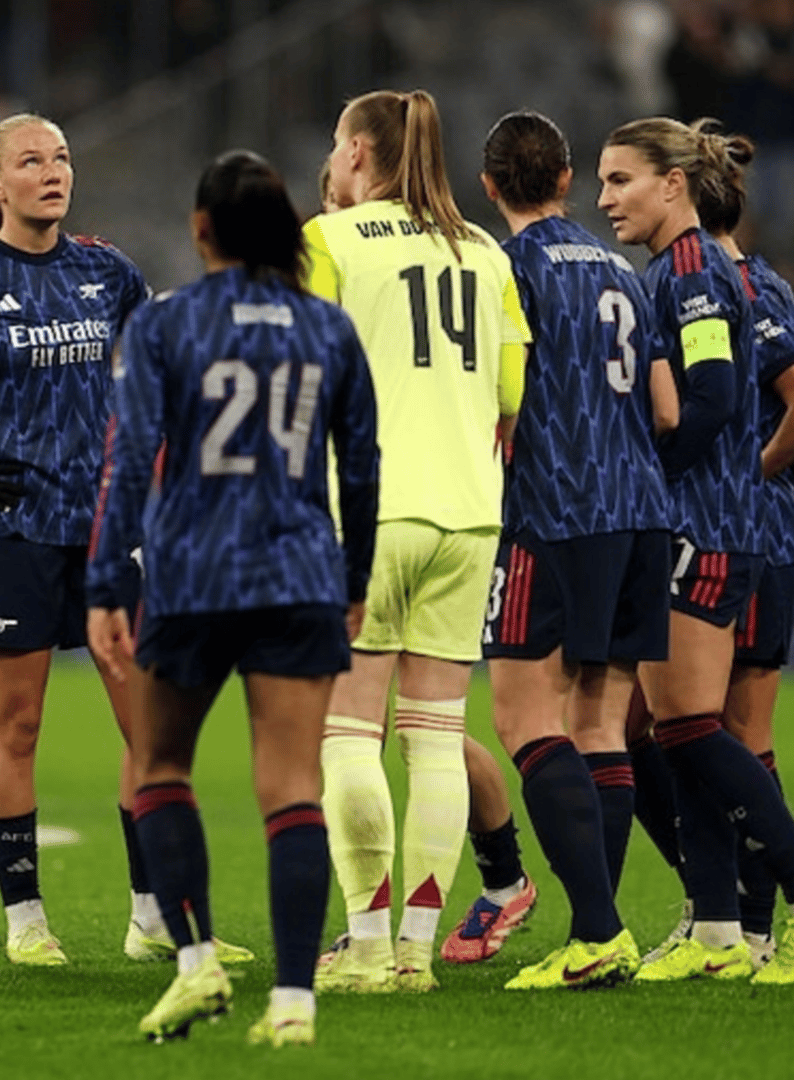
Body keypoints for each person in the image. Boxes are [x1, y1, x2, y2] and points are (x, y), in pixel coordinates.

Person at [0, 113, 251, 968]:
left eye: (63, 157)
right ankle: (26, 922)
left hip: (111, 537)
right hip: (10, 534)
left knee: (151, 727)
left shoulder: (106, 271)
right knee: (18, 726)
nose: (54, 171)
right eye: (31, 161)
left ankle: (154, 916)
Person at [87, 149, 378, 1047]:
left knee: (158, 769)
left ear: (201, 228)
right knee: (291, 786)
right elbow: (362, 470)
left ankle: (195, 963)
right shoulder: (327, 329)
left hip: (192, 573)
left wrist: (105, 580)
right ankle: (294, 1003)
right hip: (298, 574)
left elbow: (131, 458)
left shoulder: (167, 326)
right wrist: (355, 580)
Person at [598, 116, 794, 986]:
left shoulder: (699, 272)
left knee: (695, 730)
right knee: (679, 732)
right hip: (699, 521)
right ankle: (718, 928)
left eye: (620, 180)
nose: (606, 199)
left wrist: (646, 476)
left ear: (673, 184)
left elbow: (707, 400)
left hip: (702, 523)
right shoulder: (672, 270)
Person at [305, 89, 530, 994]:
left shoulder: (329, 242)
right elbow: (512, 397)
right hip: (471, 513)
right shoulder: (485, 253)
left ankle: (362, 947)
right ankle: (414, 950)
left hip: (367, 515)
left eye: (334, 144)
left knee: (347, 730)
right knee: (435, 734)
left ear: (359, 151)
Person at [472, 110, 680, 989]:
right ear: (565, 177)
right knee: (600, 725)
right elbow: (668, 408)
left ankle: (596, 929)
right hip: (641, 512)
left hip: (550, 512)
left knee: (525, 721)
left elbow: (493, 398)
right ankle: (602, 931)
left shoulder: (500, 269)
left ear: (488, 186)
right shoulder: (625, 270)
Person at [709, 137, 794, 965]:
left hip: (756, 534)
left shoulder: (745, 288)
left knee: (729, 734)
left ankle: (771, 917)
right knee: (685, 727)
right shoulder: (752, 280)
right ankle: (728, 915)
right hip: (738, 536)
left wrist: (747, 473)